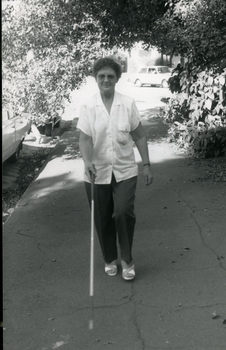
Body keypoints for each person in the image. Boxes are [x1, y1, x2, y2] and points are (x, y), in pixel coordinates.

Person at [77, 57, 153, 281]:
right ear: (96, 79)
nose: (106, 79)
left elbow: (139, 135)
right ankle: (110, 258)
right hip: (96, 171)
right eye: (102, 76)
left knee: (123, 212)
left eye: (111, 76)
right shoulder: (88, 106)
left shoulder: (127, 103)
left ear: (117, 78)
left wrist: (146, 165)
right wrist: (87, 161)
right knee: (102, 218)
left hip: (125, 170)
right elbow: (84, 139)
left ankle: (127, 259)